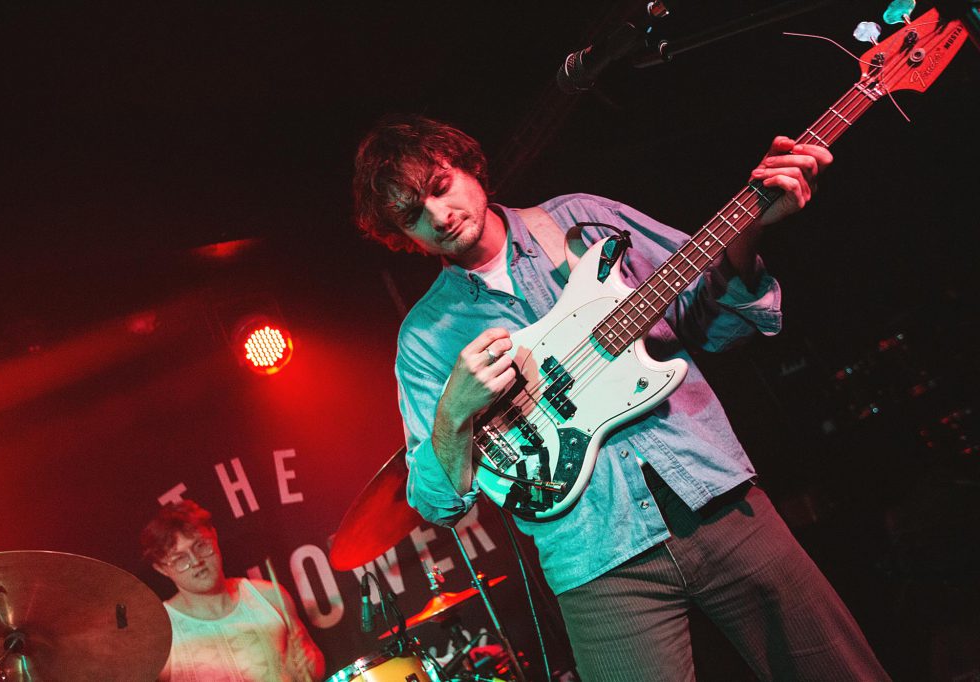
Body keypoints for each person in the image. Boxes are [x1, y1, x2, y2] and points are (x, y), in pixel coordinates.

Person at [351, 114, 891, 681]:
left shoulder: (581, 222)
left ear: (468, 166)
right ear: (402, 237)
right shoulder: (425, 338)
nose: (439, 215)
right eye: (412, 215)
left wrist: (752, 229)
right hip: (596, 562)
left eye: (440, 187)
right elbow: (436, 502)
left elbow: (713, 322)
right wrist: (454, 411)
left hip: (712, 494)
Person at [140, 500, 326, 682]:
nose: (196, 561)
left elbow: (313, 661)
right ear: (161, 568)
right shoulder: (161, 636)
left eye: (201, 546)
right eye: (180, 558)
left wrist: (303, 669)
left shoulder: (268, 596)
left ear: (214, 535)